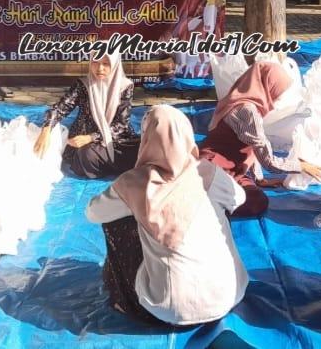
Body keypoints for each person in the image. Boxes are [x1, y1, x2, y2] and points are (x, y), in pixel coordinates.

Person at [86, 105, 248, 326]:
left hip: (168, 308)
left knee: (116, 220)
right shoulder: (209, 173)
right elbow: (239, 198)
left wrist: (137, 208)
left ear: (147, 139)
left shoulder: (134, 182)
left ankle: (124, 294)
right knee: (219, 207)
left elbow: (93, 213)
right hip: (229, 295)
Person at [198, 61, 321, 217]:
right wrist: (301, 166)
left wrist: (260, 180)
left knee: (250, 192)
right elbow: (268, 161)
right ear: (267, 86)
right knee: (256, 202)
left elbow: (252, 147)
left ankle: (212, 196)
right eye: (278, 89)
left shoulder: (241, 102)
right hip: (216, 168)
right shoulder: (247, 111)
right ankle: (208, 203)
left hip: (232, 167)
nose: (279, 96)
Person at [33, 49, 140, 178]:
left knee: (143, 148)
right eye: (96, 62)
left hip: (115, 139)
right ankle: (114, 166)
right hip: (85, 144)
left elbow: (121, 125)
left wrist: (92, 137)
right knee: (85, 156)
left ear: (115, 64)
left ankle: (109, 165)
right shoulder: (83, 85)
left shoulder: (124, 86)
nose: (100, 68)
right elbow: (60, 108)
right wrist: (46, 129)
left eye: (106, 63)